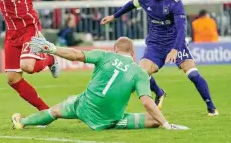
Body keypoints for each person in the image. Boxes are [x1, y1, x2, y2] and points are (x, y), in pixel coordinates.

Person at [101, 0, 218, 116]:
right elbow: (131, 4)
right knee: (140, 73)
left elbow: (182, 30)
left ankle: (211, 107)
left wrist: (175, 49)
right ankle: (159, 92)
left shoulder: (175, 3)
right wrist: (114, 16)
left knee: (192, 74)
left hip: (175, 42)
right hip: (155, 44)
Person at [11, 37, 189, 131]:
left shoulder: (104, 55)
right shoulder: (140, 72)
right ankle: (117, 123)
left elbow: (75, 55)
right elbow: (147, 102)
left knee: (55, 111)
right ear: (133, 53)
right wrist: (166, 124)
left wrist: (53, 49)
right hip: (112, 118)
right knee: (154, 120)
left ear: (115, 49)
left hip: (84, 107)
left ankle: (23, 122)